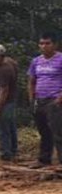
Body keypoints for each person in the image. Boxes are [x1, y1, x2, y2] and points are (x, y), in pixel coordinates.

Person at [28, 31, 62, 168]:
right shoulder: (36, 61)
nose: (44, 46)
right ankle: (43, 159)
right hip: (39, 100)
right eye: (41, 43)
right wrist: (32, 99)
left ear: (55, 45)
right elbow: (31, 80)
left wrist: (60, 97)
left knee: (58, 132)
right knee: (44, 131)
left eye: (47, 43)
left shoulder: (61, 59)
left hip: (55, 100)